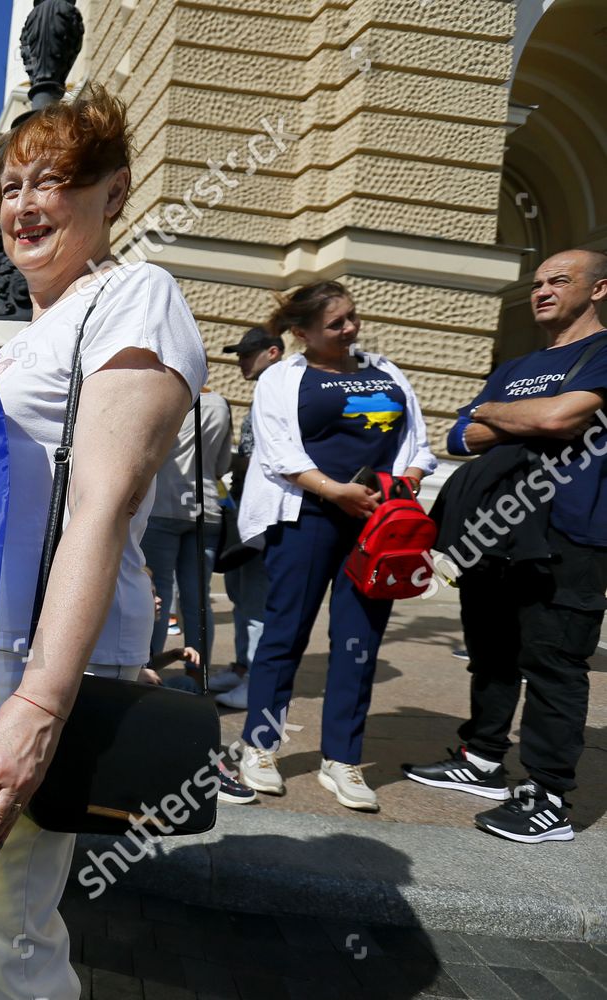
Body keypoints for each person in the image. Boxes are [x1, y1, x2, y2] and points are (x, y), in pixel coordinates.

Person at [0, 84, 207, 999]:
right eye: (11, 186)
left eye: (51, 181)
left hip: (40, 661)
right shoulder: (29, 334)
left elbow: (103, 499)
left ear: (115, 192)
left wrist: (43, 704)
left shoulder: (138, 295)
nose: (22, 205)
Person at [404, 248, 607, 843]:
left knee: (553, 663)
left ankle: (547, 799)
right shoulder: (516, 365)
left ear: (598, 290)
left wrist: (493, 410)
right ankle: (483, 759)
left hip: (567, 537)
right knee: (490, 651)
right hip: (490, 534)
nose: (541, 290)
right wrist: (510, 412)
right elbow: (460, 435)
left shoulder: (602, 354)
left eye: (558, 281)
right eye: (538, 282)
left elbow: (558, 422)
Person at [234, 281, 435, 812]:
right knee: (284, 636)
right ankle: (259, 747)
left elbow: (417, 440)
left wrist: (406, 480)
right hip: (308, 518)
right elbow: (279, 451)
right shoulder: (282, 378)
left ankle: (341, 759)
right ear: (301, 332)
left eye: (352, 317)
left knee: (359, 641)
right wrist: (336, 491)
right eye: (336, 323)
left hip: (377, 523)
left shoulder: (385, 370)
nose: (350, 329)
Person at [208, 326, 286, 708]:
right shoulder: (267, 388)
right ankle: (242, 669)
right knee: (241, 592)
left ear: (272, 352)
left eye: (246, 354)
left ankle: (257, 680)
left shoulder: (282, 387)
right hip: (247, 504)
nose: (240, 361)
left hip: (265, 510)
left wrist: (227, 461)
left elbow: (272, 457)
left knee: (256, 597)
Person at [141, 386, 231, 665]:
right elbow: (222, 465)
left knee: (157, 593)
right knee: (198, 598)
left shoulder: (160, 395)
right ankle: (199, 673)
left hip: (163, 503)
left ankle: (150, 667)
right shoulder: (219, 404)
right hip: (206, 506)